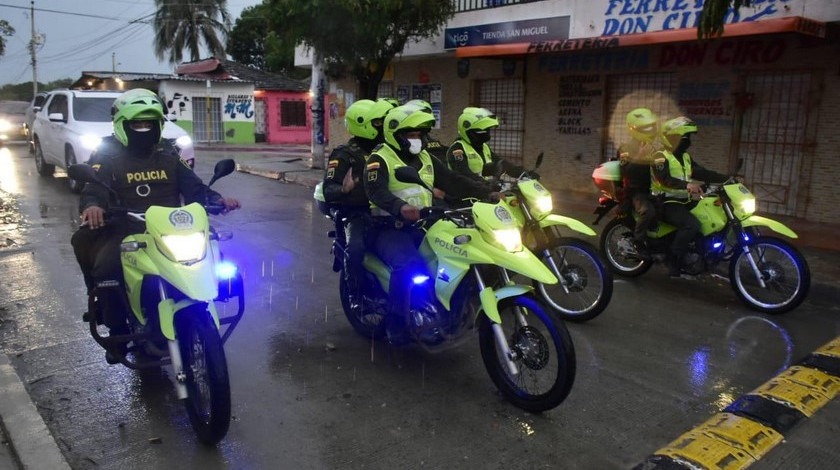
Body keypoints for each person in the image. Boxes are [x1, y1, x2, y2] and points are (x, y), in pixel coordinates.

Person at [71, 88, 240, 362]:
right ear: (122, 124)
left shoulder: (169, 153)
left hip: (171, 228)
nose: (143, 128)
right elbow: (94, 186)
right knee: (107, 268)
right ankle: (117, 330)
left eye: (149, 123)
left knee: (215, 253)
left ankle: (201, 303)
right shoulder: (106, 152)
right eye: (137, 123)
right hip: (125, 229)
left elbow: (193, 186)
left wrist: (216, 199)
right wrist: (94, 205)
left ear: (159, 124)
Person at [364, 103, 496, 344]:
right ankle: (396, 325)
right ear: (396, 135)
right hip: (388, 228)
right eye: (411, 135)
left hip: (424, 223)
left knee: (459, 254)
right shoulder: (379, 159)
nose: (417, 140)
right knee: (409, 266)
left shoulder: (426, 158)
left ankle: (446, 310)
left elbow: (452, 180)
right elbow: (376, 191)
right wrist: (399, 207)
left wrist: (487, 191)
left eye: (419, 135)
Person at [315, 98, 394, 309]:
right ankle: (355, 294)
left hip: (385, 209)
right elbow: (328, 188)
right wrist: (344, 188)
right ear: (362, 123)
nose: (382, 127)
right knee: (356, 247)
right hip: (355, 212)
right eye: (378, 123)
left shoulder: (387, 150)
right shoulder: (345, 155)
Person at [650, 116, 727, 278]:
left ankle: (699, 255)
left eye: (688, 137)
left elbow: (701, 172)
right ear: (672, 137)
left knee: (708, 218)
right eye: (685, 137)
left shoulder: (685, 157)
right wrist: (687, 185)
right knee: (691, 225)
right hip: (664, 201)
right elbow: (664, 179)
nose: (688, 141)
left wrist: (726, 178)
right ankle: (673, 260)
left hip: (683, 201)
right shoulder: (660, 156)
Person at [446, 106, 537, 185]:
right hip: (464, 198)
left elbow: (501, 163)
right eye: (482, 131)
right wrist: (486, 184)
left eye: (488, 130)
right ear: (468, 131)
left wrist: (524, 173)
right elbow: (464, 174)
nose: (487, 134)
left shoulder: (484, 147)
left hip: (484, 193)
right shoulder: (457, 150)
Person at [617, 107, 661, 260]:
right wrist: (640, 155)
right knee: (648, 211)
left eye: (651, 127)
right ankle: (638, 242)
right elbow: (626, 171)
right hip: (635, 191)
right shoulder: (625, 148)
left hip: (654, 189)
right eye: (645, 128)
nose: (650, 131)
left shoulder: (653, 147)